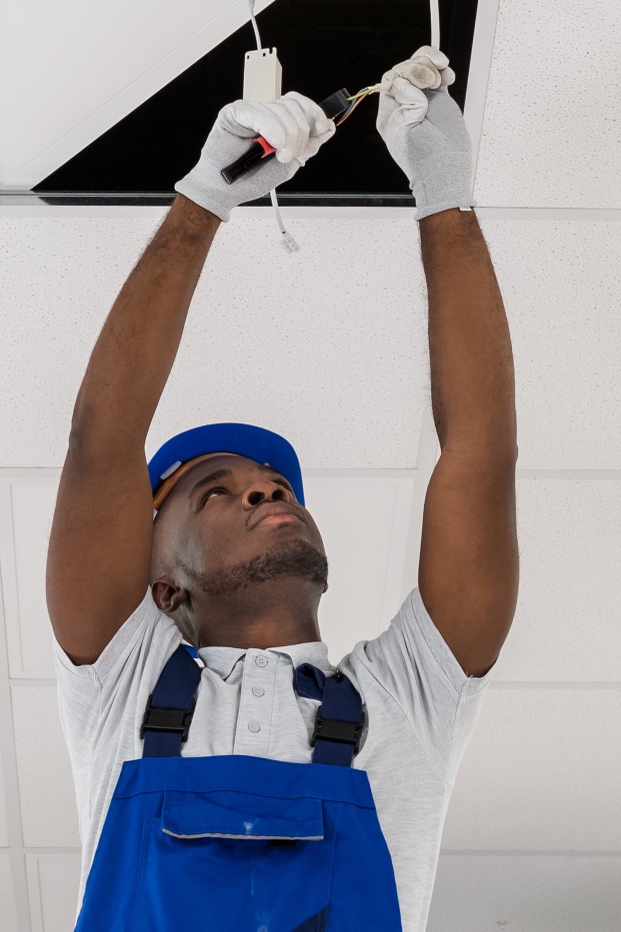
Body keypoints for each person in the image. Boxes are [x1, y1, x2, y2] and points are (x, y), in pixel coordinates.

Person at [48, 47, 515, 932]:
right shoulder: (124, 686)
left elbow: (480, 457)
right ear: (161, 586)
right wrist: (202, 203)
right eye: (214, 494)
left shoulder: (406, 697)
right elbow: (98, 447)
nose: (264, 491)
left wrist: (446, 200)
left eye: (268, 483)